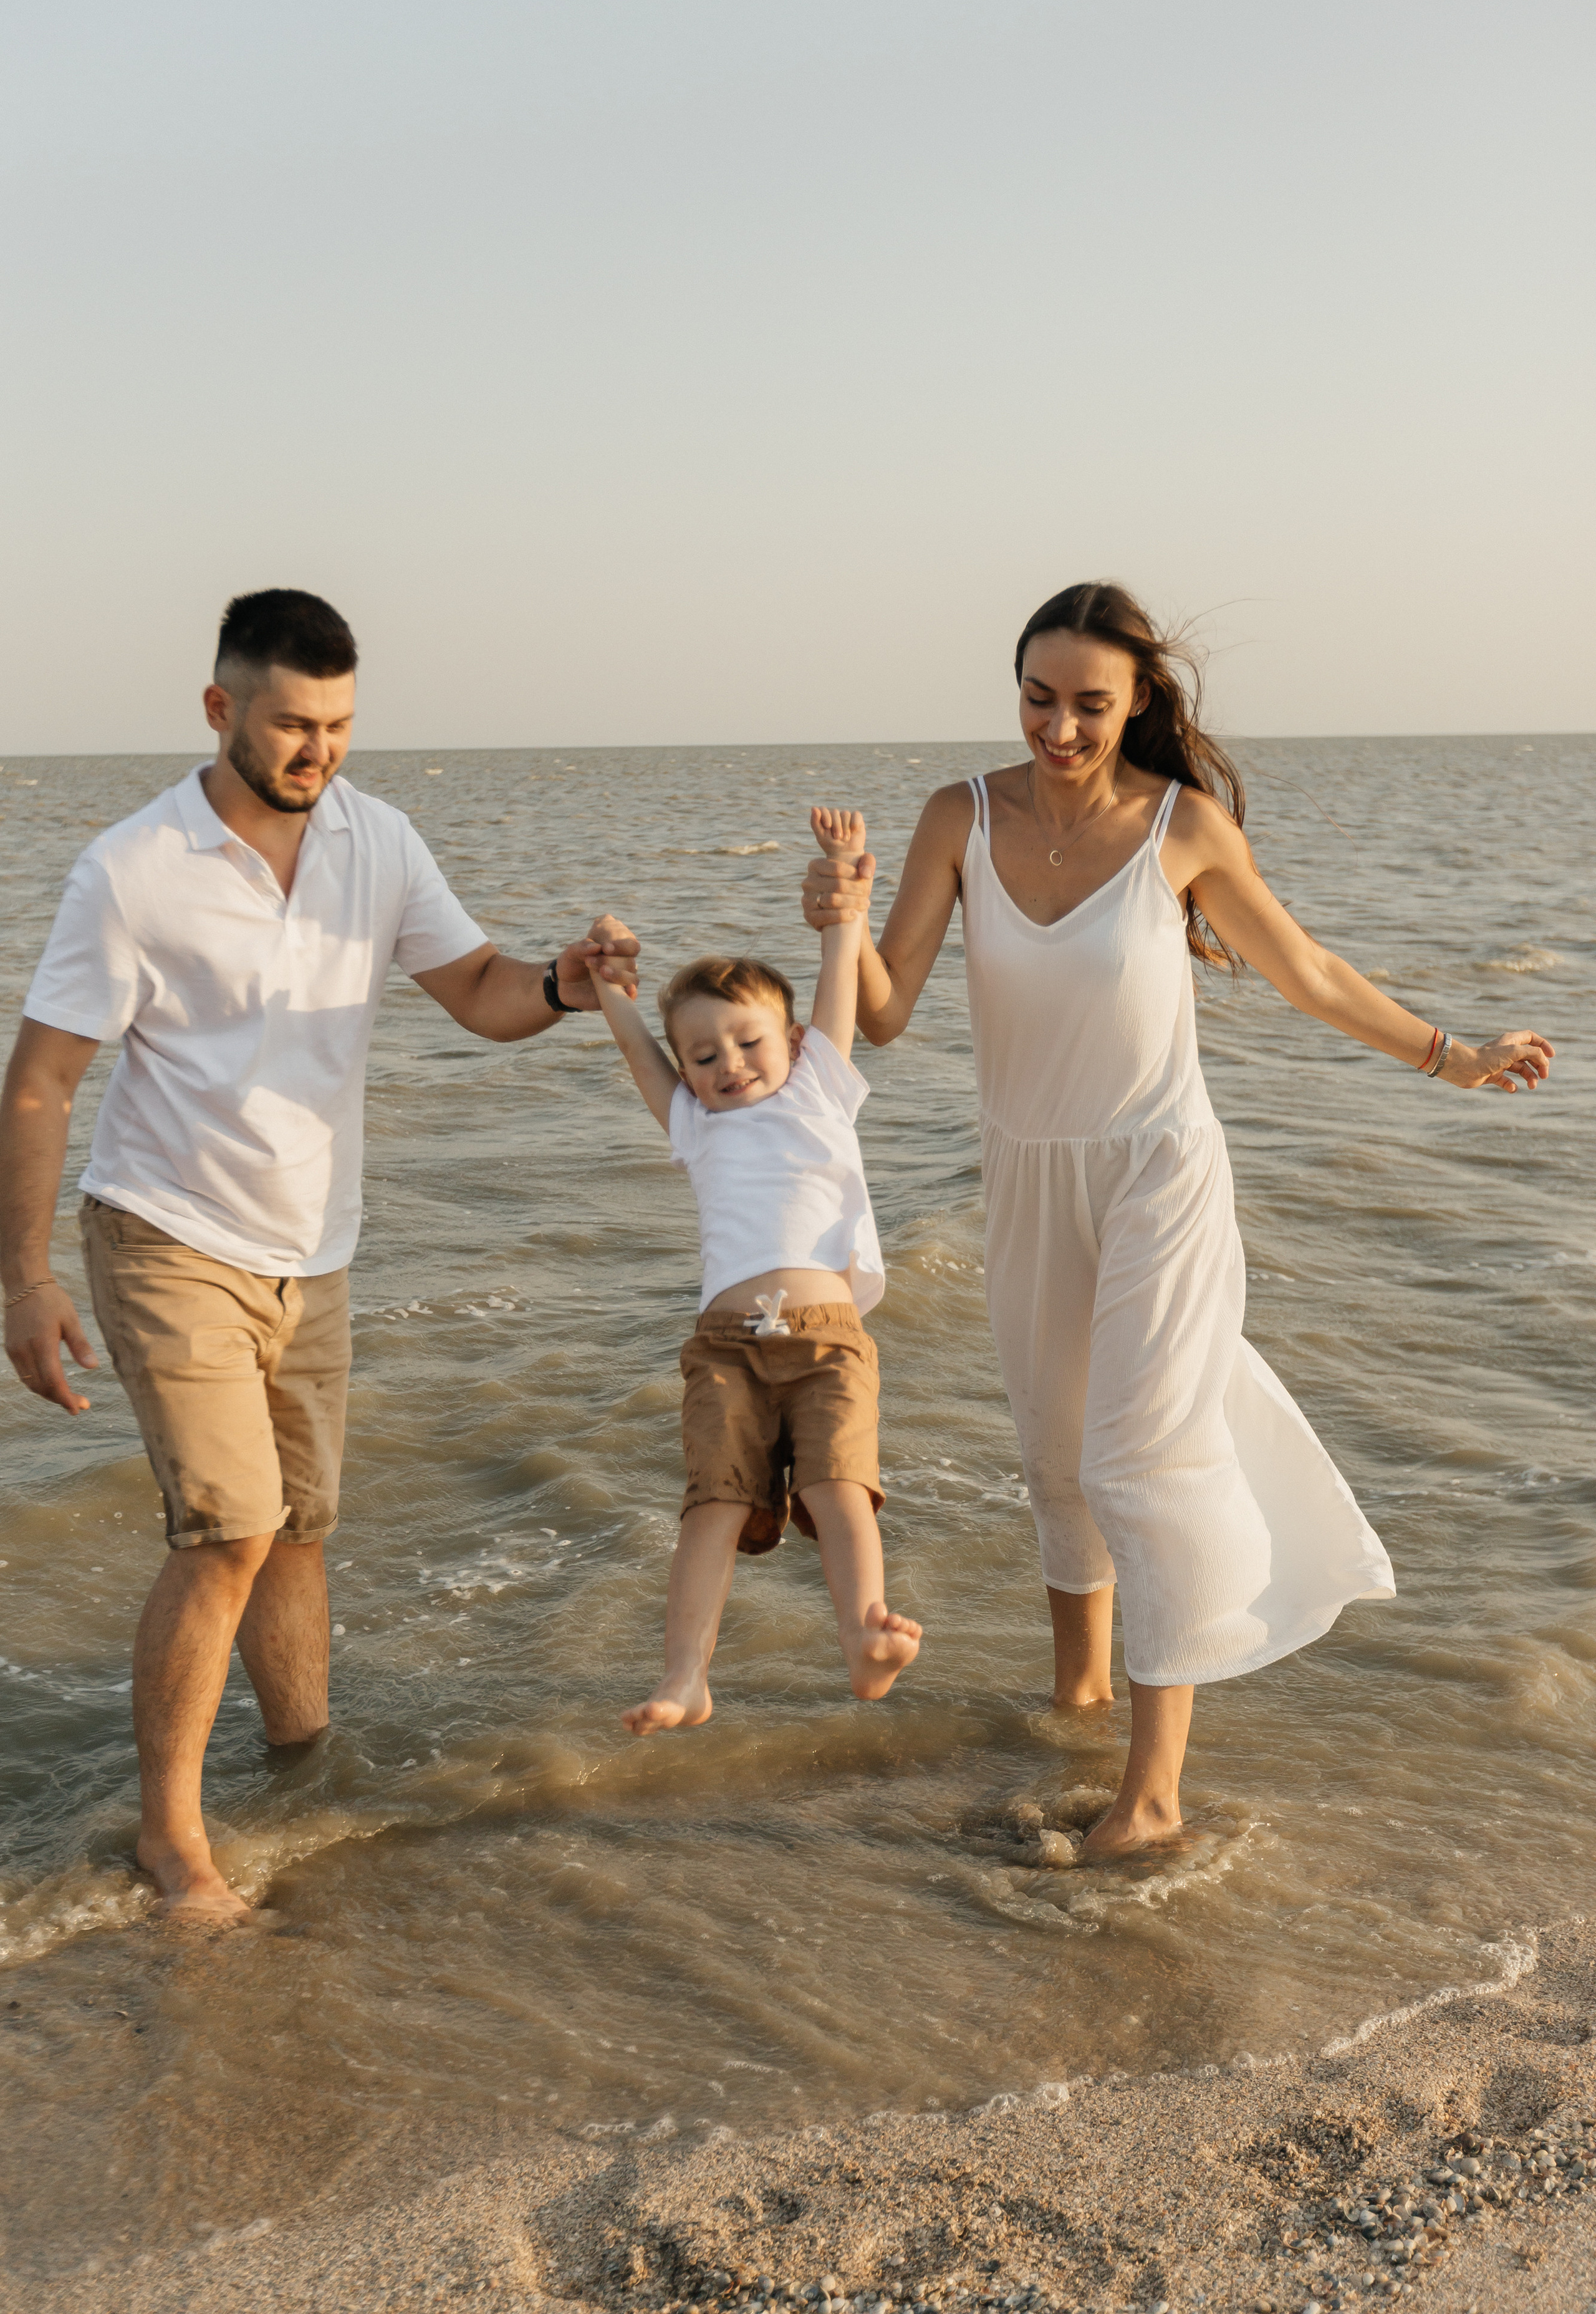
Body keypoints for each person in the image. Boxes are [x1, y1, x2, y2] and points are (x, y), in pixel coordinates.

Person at [802, 581, 1554, 1860]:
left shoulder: (1179, 829)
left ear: (1136, 700)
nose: (1059, 727)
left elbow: (1304, 970)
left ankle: (1149, 1798)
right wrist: (837, 921)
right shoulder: (958, 817)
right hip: (1026, 1175)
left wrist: (1454, 1055)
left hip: (1159, 1171)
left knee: (1136, 1459)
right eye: (1037, 699)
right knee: (1055, 1463)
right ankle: (1077, 1708)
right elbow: (881, 1014)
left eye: (1089, 704)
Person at [0, 588, 640, 1922]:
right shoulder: (131, 868)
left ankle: (302, 1775)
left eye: (339, 725)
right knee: (230, 1529)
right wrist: (25, 1278)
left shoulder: (376, 839)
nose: (318, 752)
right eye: (293, 725)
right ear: (220, 709)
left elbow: (476, 989)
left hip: (315, 1251)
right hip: (167, 1234)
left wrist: (568, 983)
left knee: (297, 1536)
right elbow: (43, 1081)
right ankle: (171, 1838)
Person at [589, 807, 921, 1735]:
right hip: (726, 1348)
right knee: (713, 1507)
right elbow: (632, 1048)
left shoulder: (819, 1089)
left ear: (793, 1046)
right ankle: (685, 1676)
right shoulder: (694, 1124)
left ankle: (864, 1637)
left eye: (747, 1043)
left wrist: (841, 874)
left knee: (839, 1486)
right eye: (702, 1055)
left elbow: (836, 975)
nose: (727, 1066)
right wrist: (612, 978)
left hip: (824, 1341)